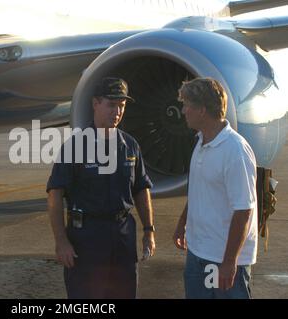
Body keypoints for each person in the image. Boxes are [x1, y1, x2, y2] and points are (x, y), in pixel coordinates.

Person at [47, 77, 155, 299]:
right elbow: (55, 194)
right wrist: (61, 241)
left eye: (121, 106)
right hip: (87, 238)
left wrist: (148, 230)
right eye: (111, 105)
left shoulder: (130, 145)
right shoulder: (75, 147)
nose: (117, 112)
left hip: (123, 236)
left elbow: (141, 189)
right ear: (95, 103)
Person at [173, 77, 257, 299]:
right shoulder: (201, 142)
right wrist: (183, 223)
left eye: (187, 105)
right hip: (198, 253)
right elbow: (199, 190)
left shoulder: (234, 150)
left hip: (223, 259)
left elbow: (243, 210)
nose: (183, 111)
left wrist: (230, 262)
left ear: (202, 110)